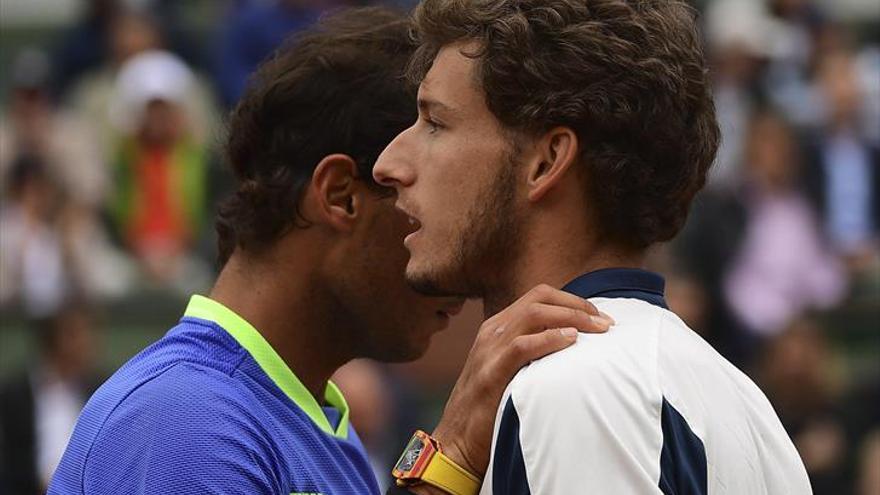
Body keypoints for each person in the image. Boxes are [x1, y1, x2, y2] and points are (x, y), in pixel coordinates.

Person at [48, 8, 610, 495]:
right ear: (340, 196)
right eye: (434, 210)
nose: (459, 272)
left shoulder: (307, 419)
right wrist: (450, 458)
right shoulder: (182, 420)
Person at [373, 0, 812, 492]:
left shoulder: (569, 386)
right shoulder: (747, 403)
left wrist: (443, 456)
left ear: (546, 162)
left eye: (436, 123)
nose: (389, 163)